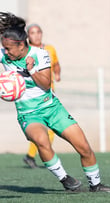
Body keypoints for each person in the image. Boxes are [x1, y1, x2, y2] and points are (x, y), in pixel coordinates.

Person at [0, 12, 110, 192]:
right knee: (41, 140)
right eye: (4, 48)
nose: (6, 52)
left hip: (52, 108)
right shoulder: (4, 55)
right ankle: (65, 179)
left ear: (21, 45)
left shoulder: (40, 55)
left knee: (84, 147)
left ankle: (95, 184)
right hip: (28, 113)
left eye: (8, 49)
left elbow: (46, 84)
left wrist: (31, 70)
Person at [23, 23, 61, 168]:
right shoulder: (26, 52)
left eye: (38, 32)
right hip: (33, 97)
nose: (36, 35)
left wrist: (57, 73)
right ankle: (45, 156)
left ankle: (32, 156)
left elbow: (56, 63)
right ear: (28, 36)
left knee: (48, 129)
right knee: (45, 129)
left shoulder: (50, 49)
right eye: (32, 33)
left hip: (49, 93)